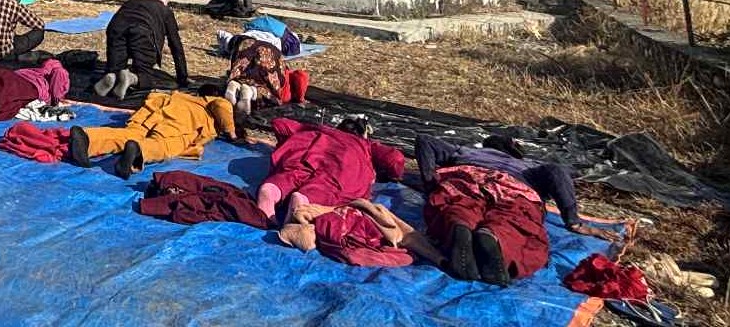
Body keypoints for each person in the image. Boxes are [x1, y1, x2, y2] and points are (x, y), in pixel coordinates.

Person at [415, 134, 616, 284]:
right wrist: (574, 221)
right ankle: (494, 236)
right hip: (515, 186)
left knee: (459, 205)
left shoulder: (465, 151)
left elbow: (424, 140)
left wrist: (431, 184)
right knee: (514, 218)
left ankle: (459, 225)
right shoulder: (529, 165)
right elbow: (557, 172)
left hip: (467, 175)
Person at [66, 90, 238, 179]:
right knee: (164, 144)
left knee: (130, 134)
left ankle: (88, 138)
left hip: (158, 106)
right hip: (183, 118)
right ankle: (139, 152)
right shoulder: (209, 104)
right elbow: (222, 107)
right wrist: (232, 133)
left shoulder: (184, 97)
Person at [258, 117, 405, 219]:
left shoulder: (320, 130)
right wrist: (395, 175)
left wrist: (305, 129)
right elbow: (395, 159)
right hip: (341, 163)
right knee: (324, 188)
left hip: (305, 152)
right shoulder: (366, 145)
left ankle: (271, 189)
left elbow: (279, 124)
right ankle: (303, 201)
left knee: (288, 176)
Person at [279, 197, 444, 269]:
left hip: (346, 210)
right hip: (350, 211)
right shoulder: (364, 149)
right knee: (403, 235)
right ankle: (438, 256)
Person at [93, 0, 188, 99]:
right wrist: (183, 77)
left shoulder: (131, 2)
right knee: (146, 74)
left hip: (116, 28)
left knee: (116, 68)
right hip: (141, 31)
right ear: (163, 2)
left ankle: (112, 75)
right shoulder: (165, 10)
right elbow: (176, 45)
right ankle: (132, 78)